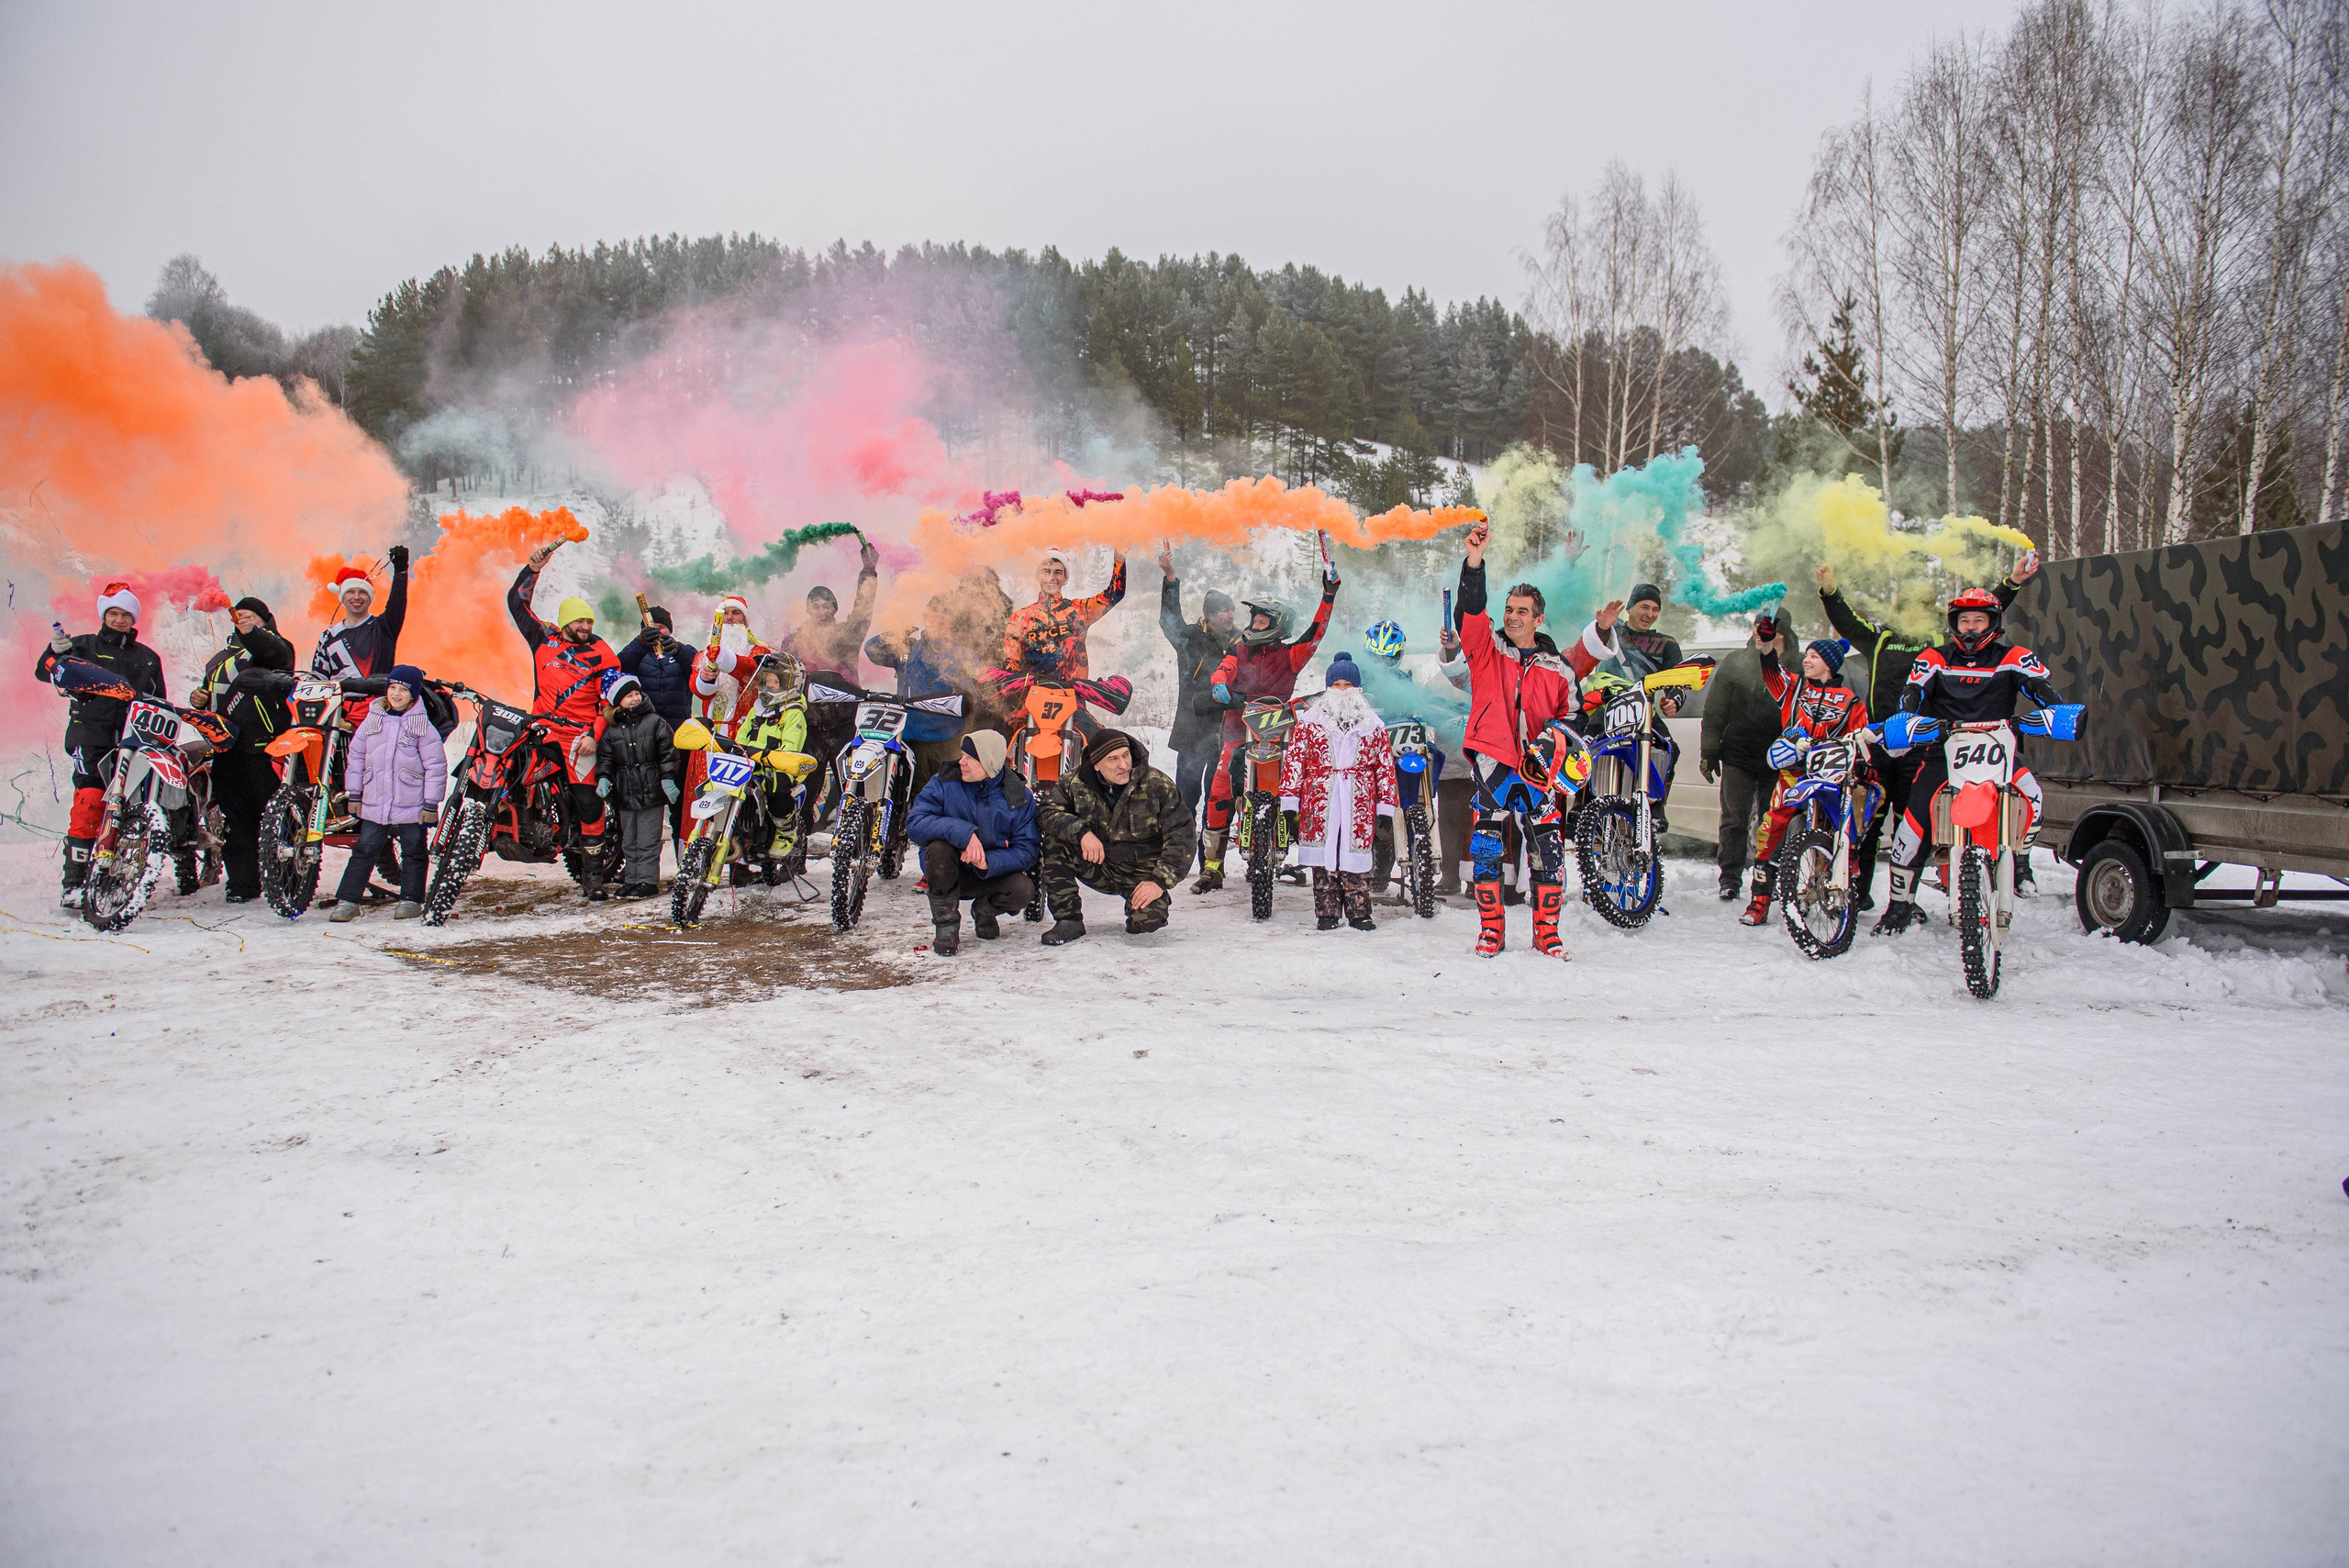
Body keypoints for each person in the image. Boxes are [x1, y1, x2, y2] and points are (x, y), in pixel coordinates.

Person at [1815, 554, 2036, 906]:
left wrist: (2011, 583)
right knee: (1869, 820)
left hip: (1924, 743)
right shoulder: (1880, 638)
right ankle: (1859, 895)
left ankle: (1907, 901)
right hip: (1882, 742)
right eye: (1906, 604)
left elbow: (1976, 620)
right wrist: (1830, 592)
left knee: (1916, 825)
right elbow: (1846, 621)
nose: (1911, 610)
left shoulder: (1938, 639)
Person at [1454, 520, 1621, 958]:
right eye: (1509, 609)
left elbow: (1575, 717)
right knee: (1487, 850)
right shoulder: (1485, 650)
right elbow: (1469, 613)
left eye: (1522, 611)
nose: (1512, 616)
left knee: (1547, 852)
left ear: (1538, 618)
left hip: (1539, 772)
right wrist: (1474, 562)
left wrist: (1553, 743)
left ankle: (1547, 933)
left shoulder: (1559, 668)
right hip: (1492, 764)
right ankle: (1491, 931)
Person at [1875, 585, 2065, 936]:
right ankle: (1899, 907)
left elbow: (2041, 688)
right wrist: (1906, 718)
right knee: (1912, 829)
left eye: (1980, 620)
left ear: (1993, 622)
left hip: (1998, 753)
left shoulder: (2014, 656)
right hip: (1942, 754)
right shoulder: (1934, 657)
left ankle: (2019, 860)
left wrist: (2057, 711)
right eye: (1965, 620)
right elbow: (1912, 694)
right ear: (1954, 624)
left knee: (2033, 796)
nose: (1972, 628)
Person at [1191, 556, 1341, 892]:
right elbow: (1226, 667)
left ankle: (1310, 848)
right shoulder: (1240, 648)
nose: (1254, 625)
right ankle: (1213, 865)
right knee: (1218, 789)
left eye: (1261, 621)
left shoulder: (1289, 656)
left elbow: (1316, 633)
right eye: (1254, 620)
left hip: (1279, 735)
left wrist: (1328, 597)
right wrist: (1219, 683)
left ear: (1276, 625)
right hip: (1237, 731)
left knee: (1302, 786)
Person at [36, 583, 169, 907]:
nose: (120, 620)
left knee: (126, 805)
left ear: (134, 618)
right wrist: (55, 652)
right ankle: (74, 884)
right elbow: (45, 672)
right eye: (113, 613)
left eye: (126, 614)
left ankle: (115, 872)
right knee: (91, 801)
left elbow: (160, 700)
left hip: (134, 739)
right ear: (104, 615)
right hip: (90, 734)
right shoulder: (81, 645)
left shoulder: (148, 658)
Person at [1737, 633, 1877, 927]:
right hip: (1794, 773)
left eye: (1814, 656)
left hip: (1833, 776)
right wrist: (1765, 646)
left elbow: (1861, 742)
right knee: (1770, 827)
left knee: (1848, 828)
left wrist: (1864, 763)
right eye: (1807, 655)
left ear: (1829, 663)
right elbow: (1771, 671)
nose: (1806, 660)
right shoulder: (1794, 686)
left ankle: (1843, 883)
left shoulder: (1852, 702)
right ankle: (1760, 899)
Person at [510, 543, 619, 900]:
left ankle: (593, 878)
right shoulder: (544, 638)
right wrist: (532, 570)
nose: (586, 626)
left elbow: (609, 703)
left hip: (579, 738)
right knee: (505, 769)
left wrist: (594, 734)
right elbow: (517, 604)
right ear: (566, 622)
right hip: (541, 730)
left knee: (589, 803)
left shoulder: (603, 653)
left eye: (589, 621)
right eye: (579, 621)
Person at [1037, 728, 1194, 946]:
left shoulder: (1157, 784)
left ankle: (1138, 909)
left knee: (1149, 921)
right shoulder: (1074, 782)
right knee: (1055, 841)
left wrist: (1159, 881)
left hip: (1141, 872)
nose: (1123, 765)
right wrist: (1081, 832)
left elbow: (1182, 834)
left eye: (1126, 755)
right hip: (1098, 865)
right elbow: (1047, 812)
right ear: (1096, 764)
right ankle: (1068, 919)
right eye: (1113, 759)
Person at [1279, 654, 1399, 931]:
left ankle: (1359, 912)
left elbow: (1384, 767)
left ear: (1357, 688)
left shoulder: (1373, 726)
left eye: (1347, 685)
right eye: (1336, 684)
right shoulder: (1308, 723)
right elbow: (1295, 761)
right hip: (1319, 798)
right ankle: (1327, 912)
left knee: (1356, 857)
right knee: (1323, 859)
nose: (1342, 690)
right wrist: (1289, 801)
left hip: (1358, 800)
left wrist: (1385, 807)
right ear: (1327, 688)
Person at [188, 597, 295, 905]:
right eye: (240, 616)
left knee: (276, 817)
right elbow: (211, 693)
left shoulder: (275, 646)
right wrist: (199, 698)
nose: (243, 618)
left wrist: (252, 633)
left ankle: (287, 878)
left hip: (265, 746)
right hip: (225, 748)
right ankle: (242, 883)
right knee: (235, 820)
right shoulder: (221, 658)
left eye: (250, 616)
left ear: (264, 619)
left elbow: (277, 656)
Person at [1357, 619, 1471, 896]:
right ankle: (1372, 866)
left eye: (1388, 656)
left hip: (1399, 752)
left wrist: (1442, 714)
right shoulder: (1356, 678)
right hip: (1365, 757)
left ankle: (1419, 856)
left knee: (1410, 793)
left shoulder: (1404, 680)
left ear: (1398, 655)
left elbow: (1419, 706)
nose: (1382, 662)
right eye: (1376, 656)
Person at [325, 665, 444, 922]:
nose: (397, 694)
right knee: (365, 848)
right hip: (375, 800)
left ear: (413, 694)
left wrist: (431, 803)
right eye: (392, 688)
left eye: (403, 689)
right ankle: (348, 901)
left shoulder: (421, 725)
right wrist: (354, 794)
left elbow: (436, 766)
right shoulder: (373, 719)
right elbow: (356, 757)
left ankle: (411, 900)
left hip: (411, 801)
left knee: (413, 849)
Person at [908, 729, 1041, 956]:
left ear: (989, 762)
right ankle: (946, 926)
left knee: (1023, 890)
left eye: (970, 758)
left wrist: (989, 862)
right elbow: (915, 823)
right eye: (962, 755)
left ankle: (984, 911)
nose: (962, 762)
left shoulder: (1018, 795)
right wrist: (965, 834)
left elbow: (1027, 850)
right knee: (938, 849)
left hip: (989, 875)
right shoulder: (944, 781)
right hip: (950, 870)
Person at [1699, 615, 1794, 902]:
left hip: (1779, 758)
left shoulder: (1797, 662)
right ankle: (1729, 878)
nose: (1759, 633)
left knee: (1773, 820)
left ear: (1783, 633)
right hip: (1738, 754)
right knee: (1734, 818)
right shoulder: (1736, 661)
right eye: (1757, 627)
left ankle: (1768, 881)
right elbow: (1715, 709)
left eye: (1767, 629)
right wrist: (1709, 750)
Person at [995, 547, 1129, 735]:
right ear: (1038, 576)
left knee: (1104, 745)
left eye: (1058, 572)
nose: (1051, 577)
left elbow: (1114, 594)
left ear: (1065, 578)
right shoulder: (1019, 618)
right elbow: (1011, 667)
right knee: (996, 740)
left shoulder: (1079, 611)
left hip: (1073, 701)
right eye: (1046, 571)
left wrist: (1119, 559)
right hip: (1030, 702)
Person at [1155, 544, 1238, 821]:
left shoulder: (1239, 642)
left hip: (1223, 734)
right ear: (1210, 615)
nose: (1230, 615)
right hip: (1192, 731)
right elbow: (1169, 621)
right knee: (1186, 800)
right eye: (1224, 610)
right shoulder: (1190, 638)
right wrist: (1170, 580)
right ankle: (1180, 856)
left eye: (1232, 609)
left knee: (1218, 800)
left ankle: (1211, 863)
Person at [1610, 582, 1687, 836]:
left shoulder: (1666, 644)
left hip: (1645, 714)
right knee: (1585, 744)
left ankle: (1657, 806)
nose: (1650, 614)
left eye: (1656, 609)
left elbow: (1678, 680)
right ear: (1630, 607)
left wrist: (1673, 701)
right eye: (1644, 607)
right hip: (1606, 708)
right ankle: (1581, 803)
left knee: (1670, 748)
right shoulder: (1610, 632)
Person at [595, 673, 678, 900]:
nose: (634, 699)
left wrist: (667, 777)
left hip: (651, 791)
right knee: (629, 840)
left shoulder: (655, 723)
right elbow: (605, 759)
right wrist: (604, 777)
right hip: (625, 793)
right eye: (628, 695)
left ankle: (648, 881)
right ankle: (632, 880)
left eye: (636, 694)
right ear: (616, 701)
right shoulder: (612, 731)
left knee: (648, 840)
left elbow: (668, 753)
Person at [864, 623, 967, 801]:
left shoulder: (960, 654)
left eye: (943, 616)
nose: (938, 621)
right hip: (910, 737)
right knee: (910, 796)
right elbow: (872, 651)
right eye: (933, 615)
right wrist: (894, 633)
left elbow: (972, 696)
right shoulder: (908, 650)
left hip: (946, 740)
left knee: (947, 797)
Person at [618, 605, 695, 843]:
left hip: (679, 739)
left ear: (670, 630)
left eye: (661, 627)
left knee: (681, 807)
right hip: (644, 741)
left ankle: (684, 861)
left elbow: (699, 667)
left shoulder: (682, 651)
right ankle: (642, 870)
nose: (658, 632)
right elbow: (618, 667)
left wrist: (679, 651)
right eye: (652, 628)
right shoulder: (638, 656)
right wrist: (639, 644)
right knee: (646, 806)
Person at [734, 651, 812, 877]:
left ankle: (785, 830)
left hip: (781, 767)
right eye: (766, 681)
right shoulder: (757, 709)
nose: (769, 686)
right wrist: (736, 749)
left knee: (777, 787)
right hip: (753, 765)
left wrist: (769, 755)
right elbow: (741, 736)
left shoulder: (794, 713)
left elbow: (791, 746)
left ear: (790, 684)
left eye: (775, 682)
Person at [785, 535, 882, 687]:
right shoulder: (793, 642)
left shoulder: (847, 635)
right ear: (808, 609)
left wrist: (868, 570)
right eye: (816, 606)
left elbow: (863, 610)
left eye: (826, 606)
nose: (821, 612)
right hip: (807, 707)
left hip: (844, 704)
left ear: (835, 609)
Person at [311, 546, 409, 686]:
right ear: (342, 596)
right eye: (351, 591)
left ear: (370, 598)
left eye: (362, 592)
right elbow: (317, 681)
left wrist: (401, 573)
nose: (356, 597)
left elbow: (397, 602)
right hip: (341, 706)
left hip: (378, 706)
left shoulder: (384, 627)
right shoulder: (328, 637)